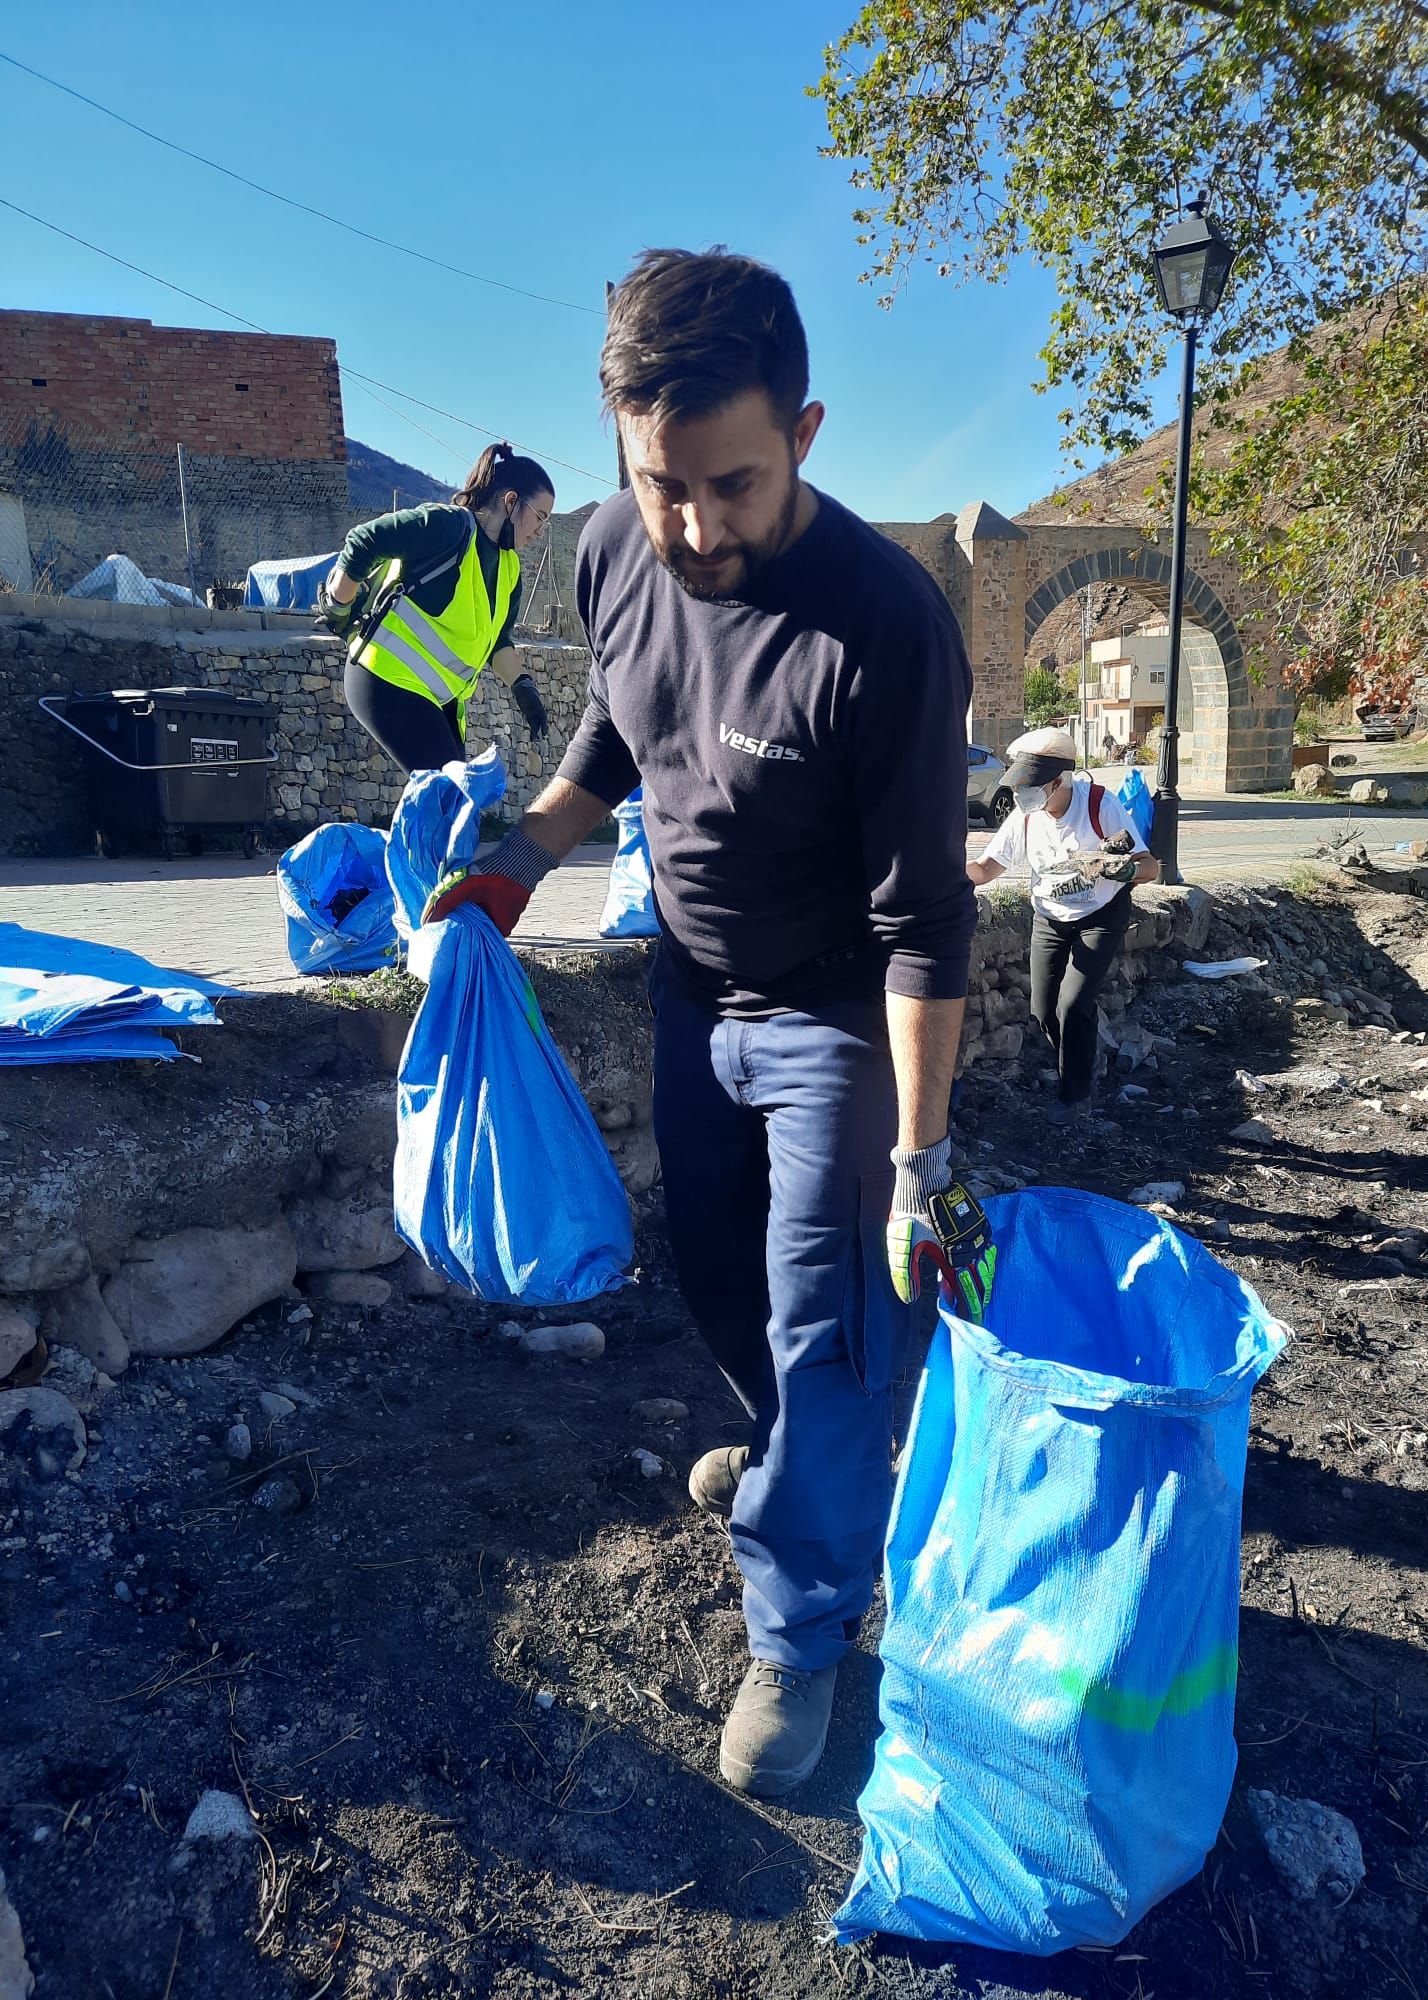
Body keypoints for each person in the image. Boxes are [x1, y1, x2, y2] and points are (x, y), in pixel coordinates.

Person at [424, 248, 995, 1799]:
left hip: (834, 1027)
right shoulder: (615, 549)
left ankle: (801, 1636)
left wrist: (923, 1158)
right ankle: (805, 1465)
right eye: (660, 485)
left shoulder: (884, 626)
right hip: (690, 994)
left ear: (804, 431)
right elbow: (621, 717)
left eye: (730, 486)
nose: (694, 527)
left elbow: (927, 921)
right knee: (719, 1285)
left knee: (826, 1319)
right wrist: (521, 857)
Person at [317, 442, 554, 775]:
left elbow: (499, 642)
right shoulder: (448, 526)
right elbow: (364, 540)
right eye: (540, 517)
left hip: (436, 700)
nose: (540, 532)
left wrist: (523, 687)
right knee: (450, 801)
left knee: (449, 806)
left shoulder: (510, 569)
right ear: (511, 501)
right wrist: (338, 604)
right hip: (385, 679)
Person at [967, 727, 1158, 1124]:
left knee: (1073, 1004)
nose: (1023, 796)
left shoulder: (1099, 805)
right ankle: (1084, 1057)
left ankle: (1076, 1095)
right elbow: (986, 869)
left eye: (1032, 787)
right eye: (1020, 788)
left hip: (1100, 915)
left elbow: (1149, 866)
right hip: (1050, 917)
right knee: (1042, 1009)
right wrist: (942, 871)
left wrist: (1123, 871)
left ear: (1058, 782)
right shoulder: (1025, 816)